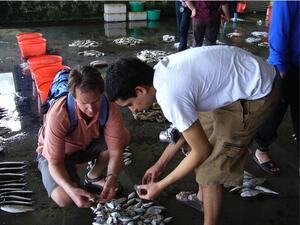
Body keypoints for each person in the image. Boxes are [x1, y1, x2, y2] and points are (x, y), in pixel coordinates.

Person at [105, 45, 279, 225]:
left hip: (258, 92)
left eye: (130, 104)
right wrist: (159, 165)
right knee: (193, 145)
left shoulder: (170, 95)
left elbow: (201, 150)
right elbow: (185, 130)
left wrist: (160, 185)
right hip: (241, 78)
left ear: (140, 90)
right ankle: (204, 199)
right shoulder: (159, 73)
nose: (133, 110)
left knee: (208, 170)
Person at [36, 66, 130, 208]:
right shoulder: (59, 114)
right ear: (73, 97)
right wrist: (71, 190)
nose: (91, 109)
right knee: (64, 198)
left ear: (101, 93)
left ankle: (93, 177)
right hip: (58, 156)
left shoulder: (110, 109)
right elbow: (55, 163)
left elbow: (116, 152)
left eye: (95, 101)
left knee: (124, 135)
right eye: (84, 103)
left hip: (85, 146)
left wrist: (112, 177)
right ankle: (69, 176)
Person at [253, 1, 299, 175]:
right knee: (276, 108)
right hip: (289, 65)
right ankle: (262, 148)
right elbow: (279, 30)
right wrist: (280, 68)